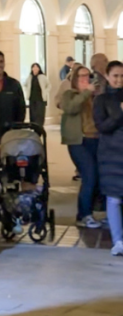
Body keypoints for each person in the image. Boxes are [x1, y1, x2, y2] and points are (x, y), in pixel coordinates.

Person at [60, 64, 101, 229]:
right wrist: (86, 92)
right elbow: (71, 108)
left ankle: (91, 212)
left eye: (88, 76)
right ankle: (83, 214)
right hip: (78, 142)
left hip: (96, 140)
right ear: (75, 79)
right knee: (89, 175)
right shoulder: (69, 94)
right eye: (81, 76)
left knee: (97, 177)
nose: (85, 79)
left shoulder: (94, 96)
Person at [93, 61, 123, 256]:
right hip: (111, 155)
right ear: (107, 76)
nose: (119, 80)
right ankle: (118, 240)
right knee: (113, 199)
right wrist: (120, 113)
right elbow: (102, 126)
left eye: (122, 76)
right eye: (115, 76)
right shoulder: (101, 100)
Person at [0, 51, 26, 151]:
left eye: (1, 61)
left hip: (10, 134)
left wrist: (16, 128)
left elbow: (21, 109)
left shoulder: (14, 84)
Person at [23, 63, 49, 128]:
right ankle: (33, 127)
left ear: (39, 68)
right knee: (33, 114)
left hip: (40, 98)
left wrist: (45, 91)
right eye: (33, 67)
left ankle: (39, 127)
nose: (35, 69)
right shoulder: (29, 77)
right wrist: (27, 91)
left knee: (40, 114)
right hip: (32, 98)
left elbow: (49, 85)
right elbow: (25, 84)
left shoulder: (43, 77)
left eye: (36, 67)